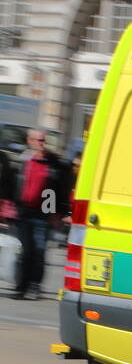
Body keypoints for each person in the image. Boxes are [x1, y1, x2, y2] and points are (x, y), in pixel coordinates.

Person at [9, 128, 67, 300]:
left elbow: (59, 189)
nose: (41, 143)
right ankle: (21, 287)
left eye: (43, 140)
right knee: (26, 251)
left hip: (43, 213)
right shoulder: (23, 159)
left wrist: (57, 212)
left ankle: (35, 286)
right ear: (30, 141)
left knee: (39, 251)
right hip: (24, 212)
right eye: (38, 140)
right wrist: (10, 206)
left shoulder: (53, 162)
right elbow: (14, 184)